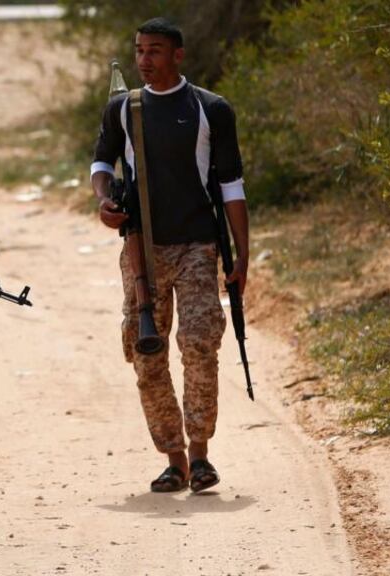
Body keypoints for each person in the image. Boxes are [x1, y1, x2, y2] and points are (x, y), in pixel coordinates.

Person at [91, 18, 250, 494]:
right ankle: (174, 459)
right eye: (139, 50)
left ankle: (200, 454)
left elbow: (231, 185)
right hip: (142, 249)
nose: (145, 59)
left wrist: (242, 254)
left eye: (155, 50)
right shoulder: (123, 108)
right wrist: (104, 200)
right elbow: (101, 163)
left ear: (178, 55)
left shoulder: (210, 108)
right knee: (147, 352)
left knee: (200, 343)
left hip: (199, 244)